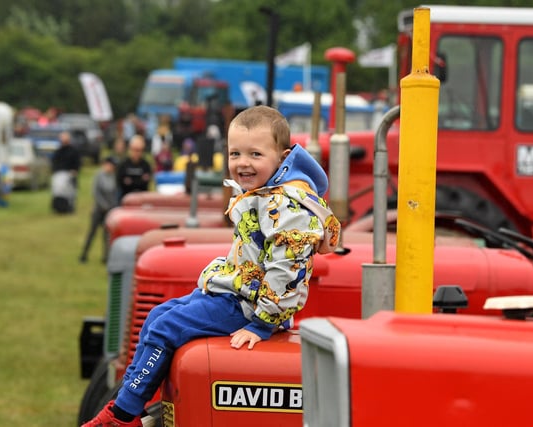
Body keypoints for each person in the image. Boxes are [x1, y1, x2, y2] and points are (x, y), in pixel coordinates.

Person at [82, 105, 341, 427]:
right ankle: (133, 404)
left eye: (255, 154)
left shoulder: (287, 206)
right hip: (235, 292)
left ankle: (121, 416)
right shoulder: (263, 194)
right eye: (235, 153)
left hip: (249, 306)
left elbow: (288, 270)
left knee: (166, 327)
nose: (243, 163)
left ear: (283, 156)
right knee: (157, 315)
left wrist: (262, 323)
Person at [79, 156, 118, 264]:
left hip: (109, 211)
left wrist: (112, 207)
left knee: (107, 235)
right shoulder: (98, 176)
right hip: (98, 210)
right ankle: (84, 254)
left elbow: (114, 193)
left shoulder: (114, 177)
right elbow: (95, 193)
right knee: (92, 232)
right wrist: (103, 205)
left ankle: (106, 256)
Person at [50, 131, 81, 213]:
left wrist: (75, 171)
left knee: (70, 193)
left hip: (69, 174)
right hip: (59, 174)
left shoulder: (73, 151)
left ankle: (69, 207)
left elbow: (77, 163)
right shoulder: (58, 151)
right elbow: (54, 162)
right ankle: (58, 207)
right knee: (58, 192)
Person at [116, 135, 152, 202]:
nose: (137, 153)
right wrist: (139, 181)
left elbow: (146, 183)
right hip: (125, 199)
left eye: (140, 150)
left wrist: (131, 182)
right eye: (135, 149)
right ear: (130, 149)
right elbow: (120, 182)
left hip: (142, 199)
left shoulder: (146, 165)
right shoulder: (123, 164)